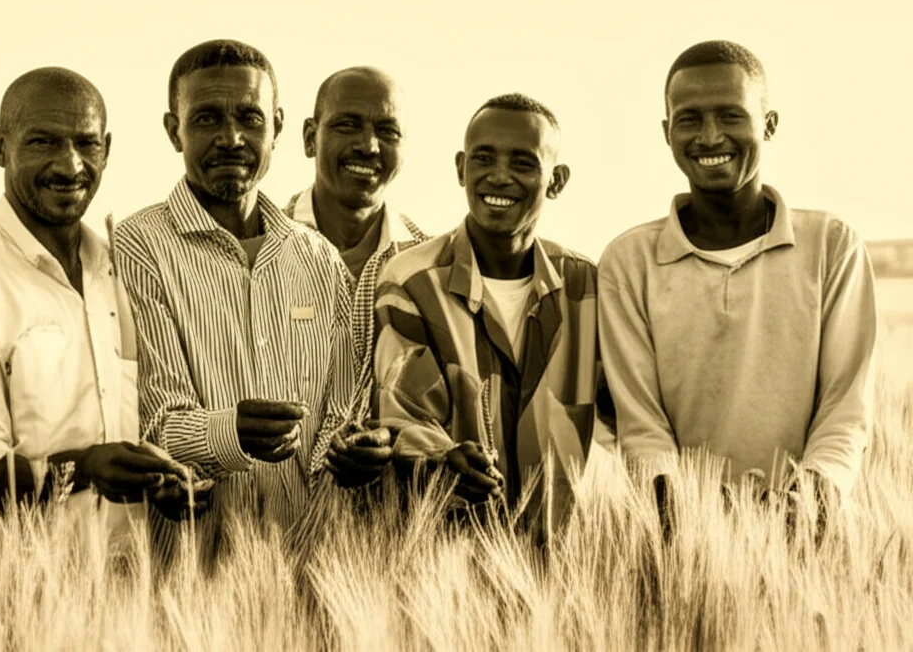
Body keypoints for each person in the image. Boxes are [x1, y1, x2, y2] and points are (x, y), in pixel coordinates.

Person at [0, 67, 201, 546]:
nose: (70, 165)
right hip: (18, 600)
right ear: (0, 146)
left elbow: (138, 424)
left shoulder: (120, 269)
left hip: (135, 594)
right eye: (43, 142)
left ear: (106, 148)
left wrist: (158, 480)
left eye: (86, 144)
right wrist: (86, 467)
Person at [597, 40, 878, 541]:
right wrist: (687, 520)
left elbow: (846, 408)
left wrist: (805, 507)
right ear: (667, 132)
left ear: (768, 124)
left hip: (818, 537)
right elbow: (640, 424)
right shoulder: (628, 262)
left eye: (731, 115)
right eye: (689, 119)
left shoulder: (832, 246)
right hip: (676, 538)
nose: (709, 137)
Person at [113, 40, 355, 566]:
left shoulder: (318, 257)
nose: (231, 138)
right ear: (172, 129)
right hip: (193, 572)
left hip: (314, 567)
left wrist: (347, 449)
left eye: (250, 116)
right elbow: (154, 422)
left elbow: (341, 409)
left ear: (279, 125)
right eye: (205, 119)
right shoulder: (139, 245)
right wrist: (232, 432)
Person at [373, 93, 600, 539]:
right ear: (461, 167)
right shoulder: (411, 282)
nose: (499, 177)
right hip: (448, 559)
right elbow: (400, 415)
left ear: (556, 181)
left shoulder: (585, 288)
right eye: (483, 158)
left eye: (523, 163)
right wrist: (443, 457)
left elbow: (629, 411)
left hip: (562, 565)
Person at [283, 66, 428, 489]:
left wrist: (395, 440)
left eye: (388, 131)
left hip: (388, 530)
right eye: (348, 125)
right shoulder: (256, 248)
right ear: (310, 137)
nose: (368, 146)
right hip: (264, 518)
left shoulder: (430, 269)